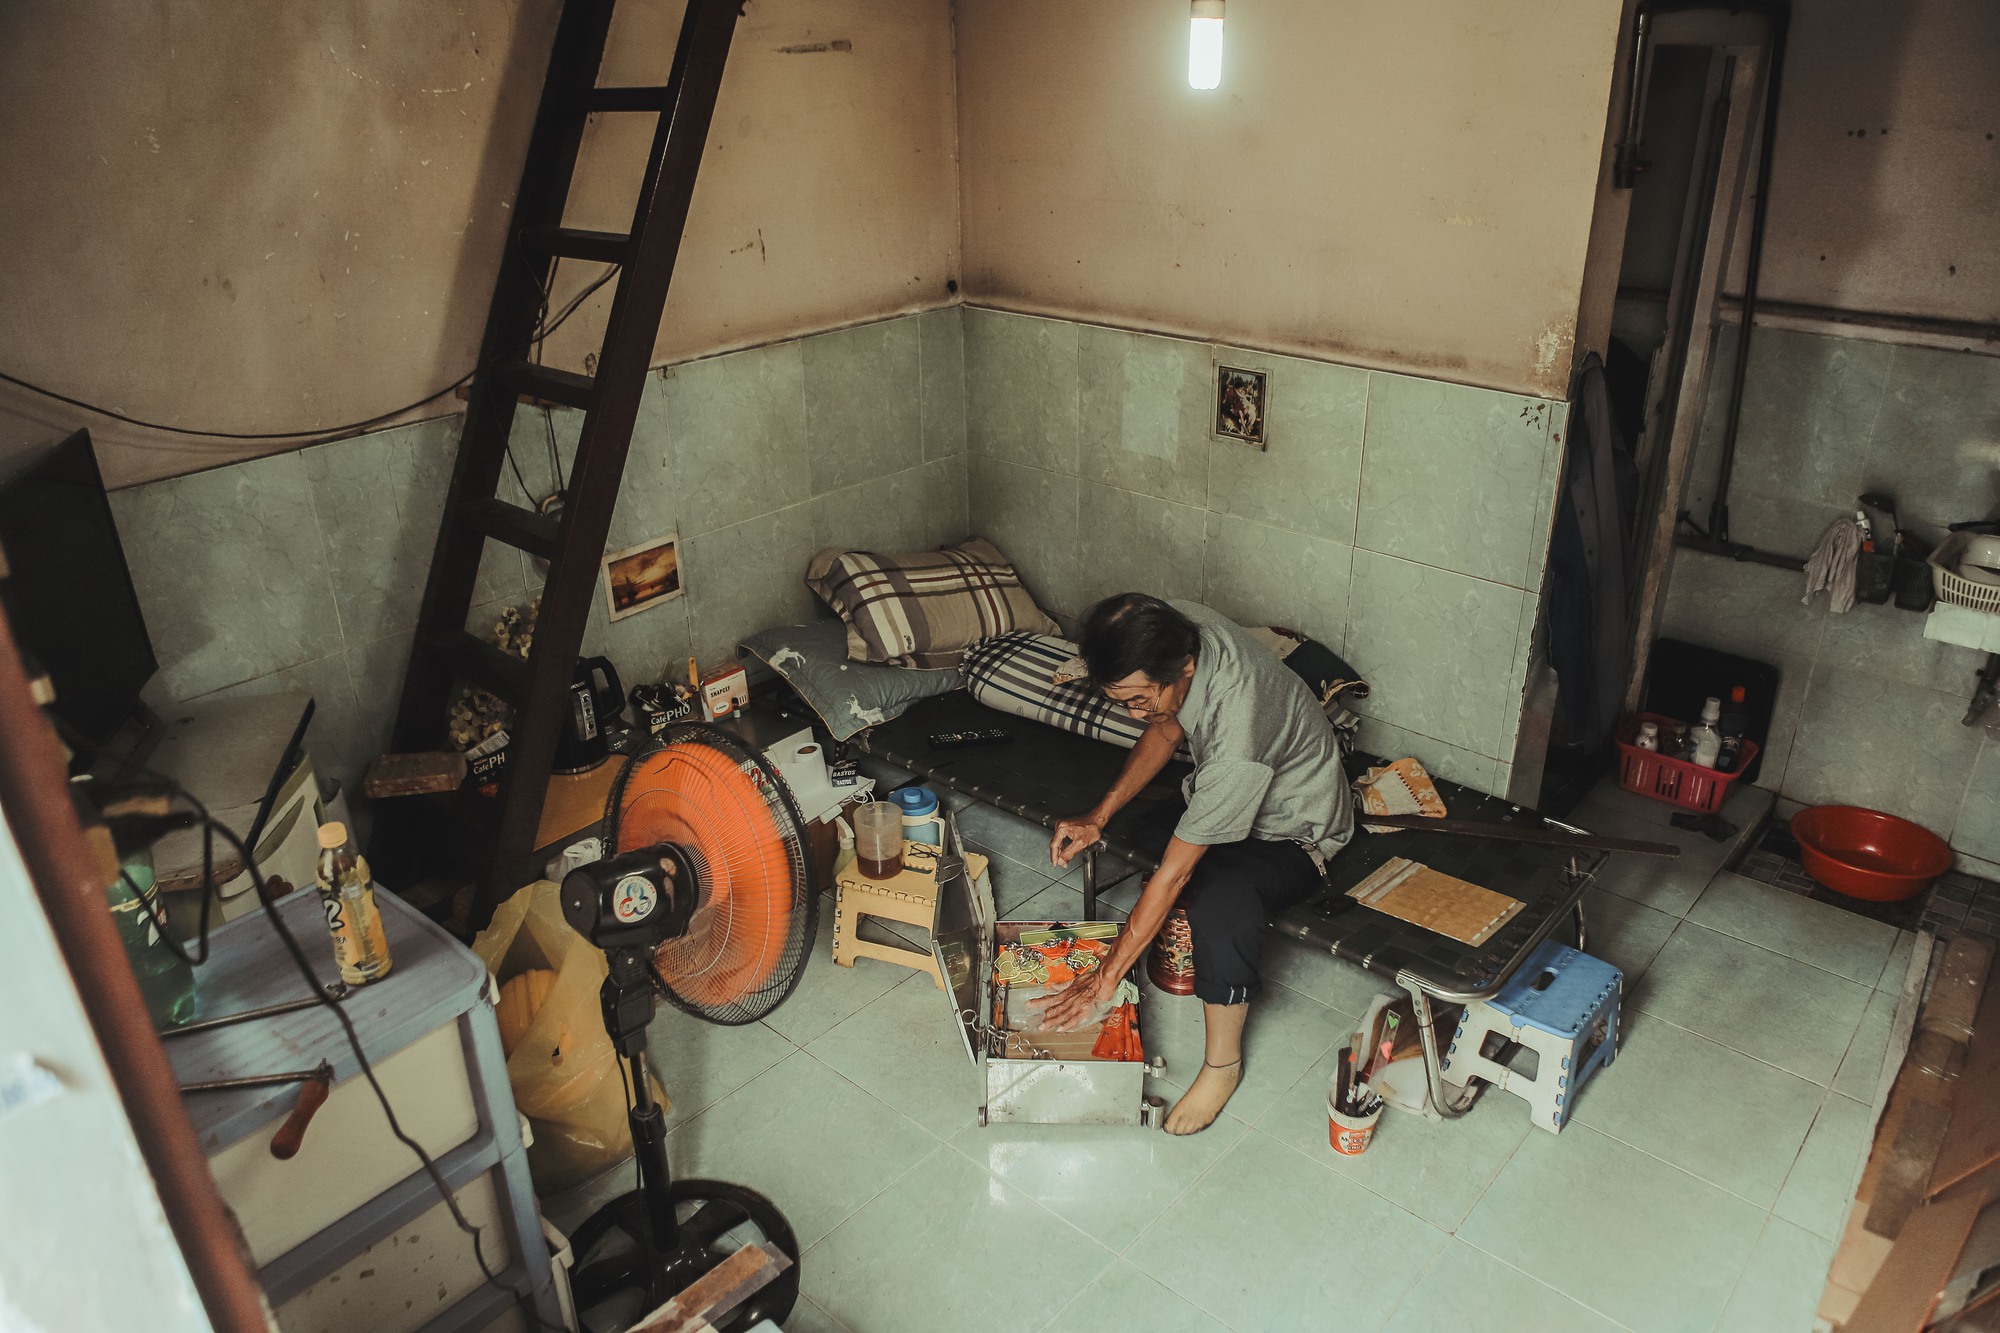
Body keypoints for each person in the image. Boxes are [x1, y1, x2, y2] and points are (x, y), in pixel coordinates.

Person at [1035, 594, 1353, 1134]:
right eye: (1123, 703)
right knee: (1143, 833)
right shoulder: (1174, 624)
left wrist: (1106, 978)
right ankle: (1171, 924)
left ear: (1183, 668)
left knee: (1223, 907)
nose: (1135, 713)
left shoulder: (1237, 730)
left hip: (1293, 831)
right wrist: (1097, 816)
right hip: (1233, 796)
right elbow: (1166, 728)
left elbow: (1174, 873)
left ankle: (1222, 1067)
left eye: (1141, 699)